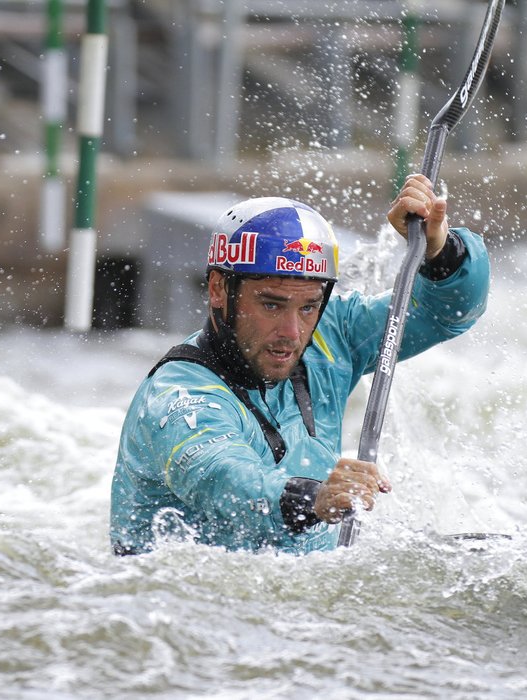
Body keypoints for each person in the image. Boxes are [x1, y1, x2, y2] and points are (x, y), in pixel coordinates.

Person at [109, 174, 490, 555]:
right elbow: (226, 480)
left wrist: (440, 252)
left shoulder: (329, 335)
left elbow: (445, 313)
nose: (292, 332)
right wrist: (315, 496)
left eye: (308, 306)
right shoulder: (179, 397)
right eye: (271, 304)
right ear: (218, 289)